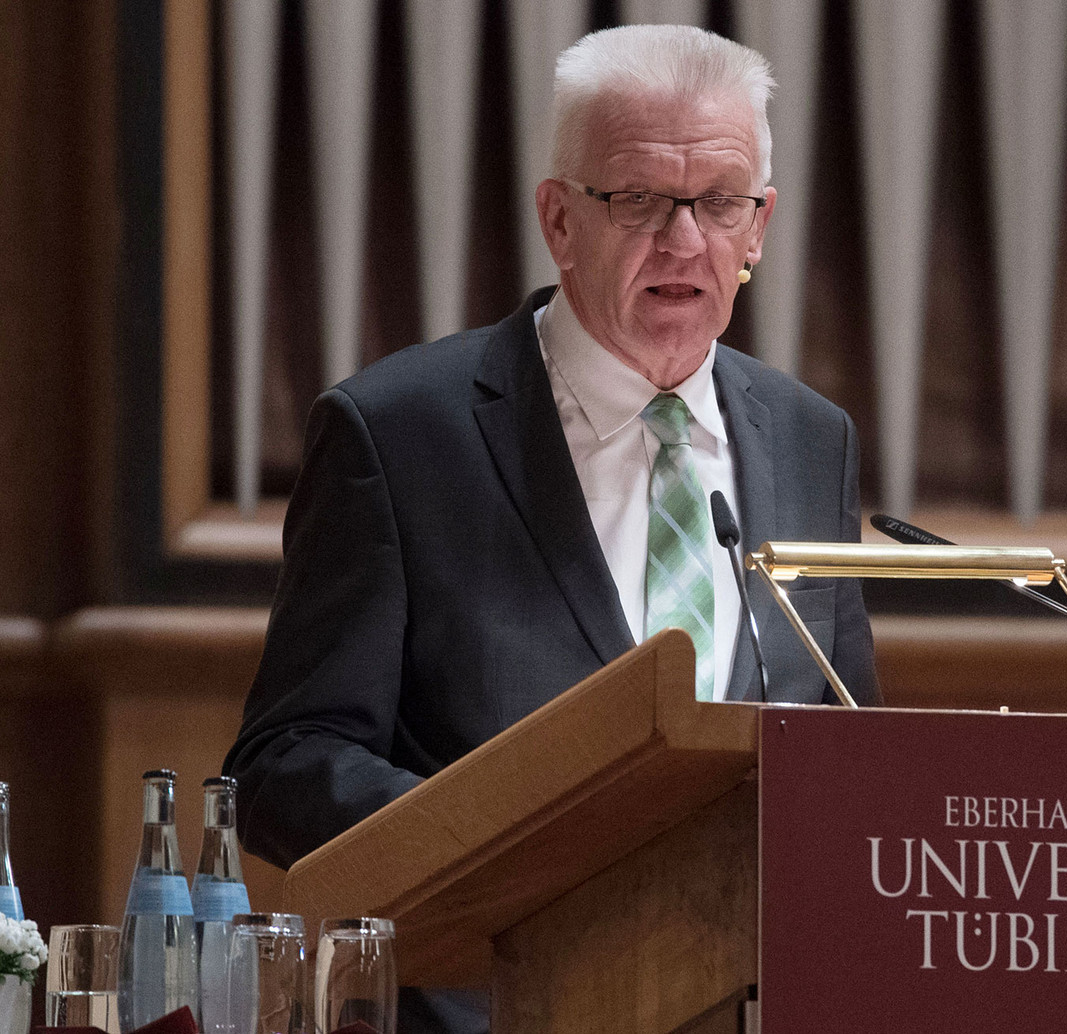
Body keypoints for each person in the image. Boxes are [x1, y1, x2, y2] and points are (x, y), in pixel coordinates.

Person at [225, 25, 879, 1034]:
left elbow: (844, 751)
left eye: (718, 203)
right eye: (639, 199)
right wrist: (508, 848)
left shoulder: (809, 439)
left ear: (759, 228)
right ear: (559, 219)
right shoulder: (399, 434)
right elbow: (286, 760)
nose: (683, 239)